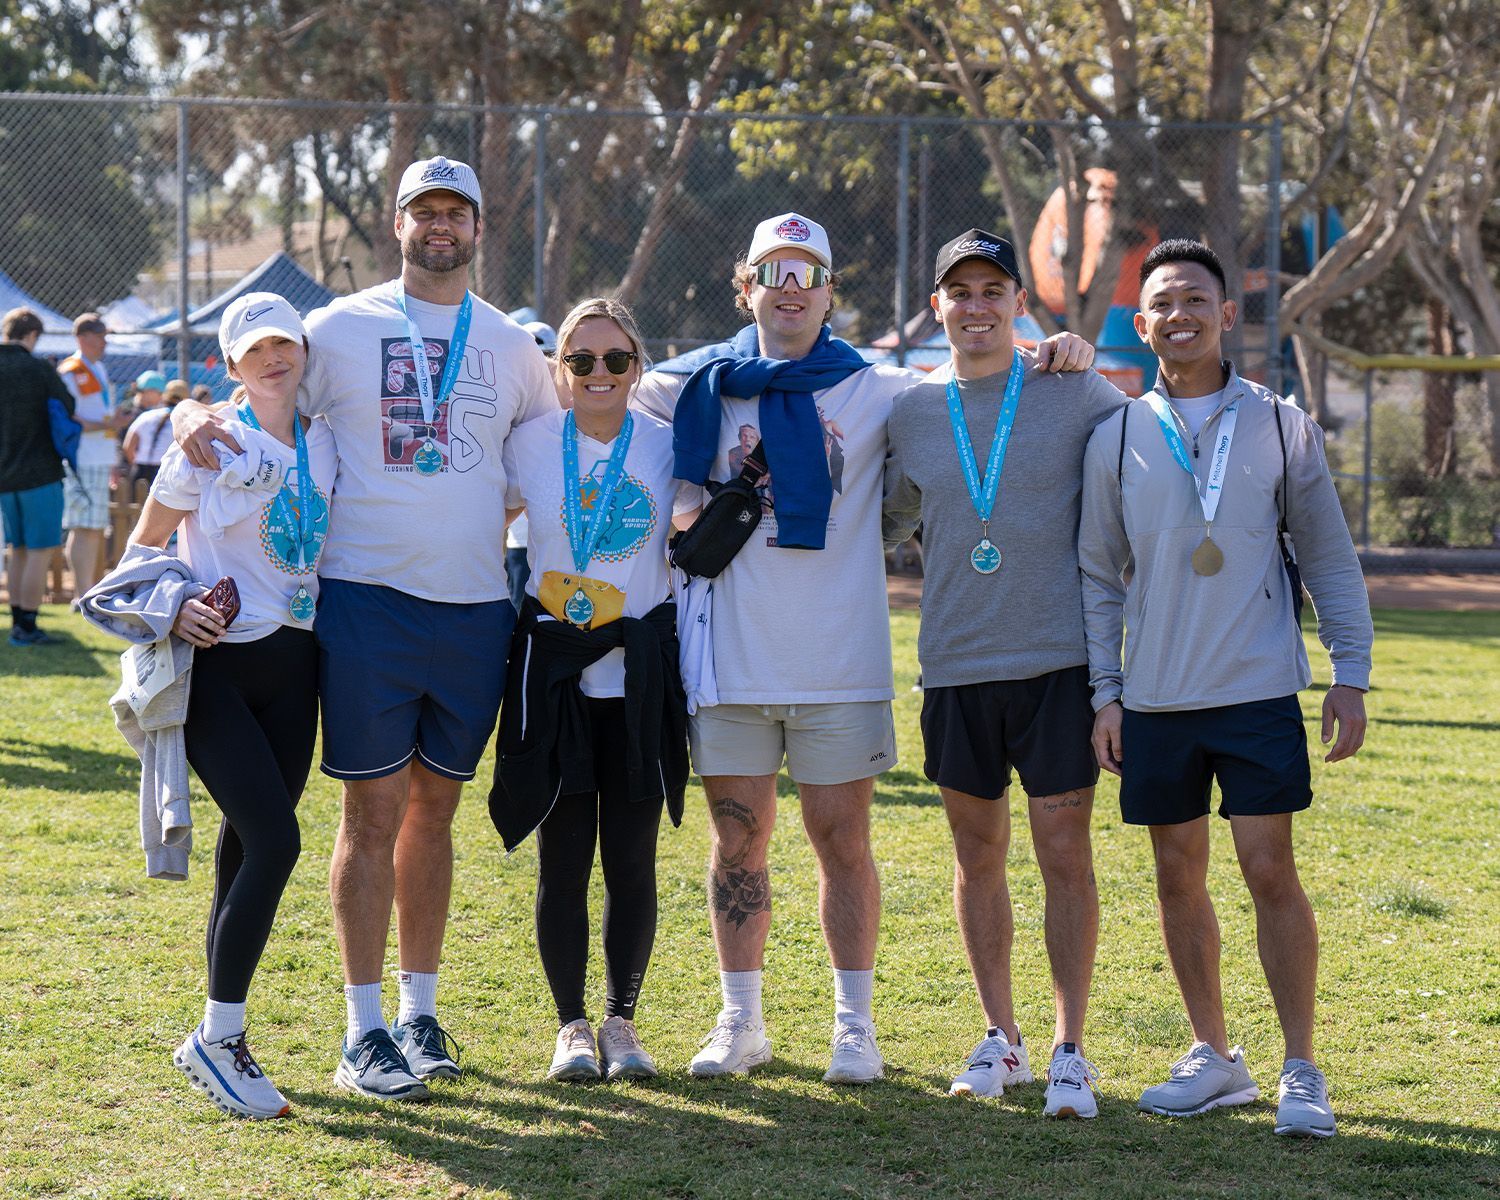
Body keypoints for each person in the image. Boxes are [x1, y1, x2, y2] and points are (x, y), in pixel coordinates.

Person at [631, 212, 1093, 1084]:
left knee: (843, 841)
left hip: (839, 663)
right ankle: (742, 1021)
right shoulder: (687, 386)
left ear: (832, 292)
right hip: (726, 659)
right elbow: (592, 379)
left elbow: (976, 374)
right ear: (747, 287)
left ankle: (855, 1026)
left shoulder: (883, 391)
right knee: (739, 844)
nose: (791, 288)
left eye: (809, 273)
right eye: (775, 271)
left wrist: (1051, 350)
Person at [171, 156, 558, 1100]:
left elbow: (551, 456)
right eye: (423, 211)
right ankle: (362, 1030)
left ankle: (420, 1014)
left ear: (478, 225)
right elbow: (257, 399)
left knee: (438, 809)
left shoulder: (511, 345)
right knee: (371, 811)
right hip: (362, 601)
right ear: (397, 224)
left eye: (455, 212)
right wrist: (187, 411)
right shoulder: (336, 328)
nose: (440, 226)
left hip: (472, 606)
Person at [1079, 239, 1372, 1139]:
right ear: (1143, 323)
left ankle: (1301, 1069)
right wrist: (1106, 691)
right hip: (1158, 700)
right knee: (1178, 875)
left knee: (1267, 869)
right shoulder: (1117, 433)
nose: (1179, 315)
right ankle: (1215, 1057)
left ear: (1228, 313)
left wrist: (1349, 672)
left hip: (1256, 694)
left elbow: (1328, 555)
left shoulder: (1283, 424)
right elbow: (1097, 571)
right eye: (1161, 302)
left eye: (1195, 299)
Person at [883, 230, 1126, 1117]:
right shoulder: (911, 411)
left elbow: (1149, 445)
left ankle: (1069, 1047)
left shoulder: (1071, 390)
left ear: (1019, 302)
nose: (977, 306)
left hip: (1058, 665)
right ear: (938, 307)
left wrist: (1088, 352)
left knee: (1065, 851)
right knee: (976, 856)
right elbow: (881, 519)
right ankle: (1001, 1036)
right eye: (960, 292)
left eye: (993, 290)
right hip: (954, 666)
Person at [127, 292, 336, 1118]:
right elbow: (138, 556)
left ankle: (218, 1031)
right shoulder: (205, 442)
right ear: (231, 363)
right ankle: (218, 1038)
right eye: (256, 350)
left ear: (304, 352)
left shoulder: (328, 440)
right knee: (278, 841)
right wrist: (171, 606)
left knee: (244, 847)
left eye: (285, 343)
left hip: (298, 668)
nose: (274, 359)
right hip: (215, 670)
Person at [492, 298, 698, 1083]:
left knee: (633, 860)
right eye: (581, 361)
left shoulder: (666, 446)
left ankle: (622, 1022)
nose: (599, 374)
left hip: (638, 678)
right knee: (563, 860)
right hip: (557, 678)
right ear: (560, 370)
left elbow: (703, 521)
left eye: (616, 360)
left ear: (637, 367)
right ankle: (570, 1026)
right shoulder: (528, 445)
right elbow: (477, 515)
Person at [0, 306, 75, 646]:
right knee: (40, 550)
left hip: (4, 477)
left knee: (17, 550)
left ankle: (17, 619)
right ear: (32, 336)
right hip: (39, 473)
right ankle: (27, 626)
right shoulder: (38, 369)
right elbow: (68, 405)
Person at [57, 312, 129, 595]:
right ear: (82, 338)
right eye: (100, 337)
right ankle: (81, 592)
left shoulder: (97, 369)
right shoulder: (71, 370)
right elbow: (67, 419)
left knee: (93, 527)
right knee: (83, 526)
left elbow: (98, 414)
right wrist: (107, 424)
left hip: (99, 455)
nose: (104, 343)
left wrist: (112, 426)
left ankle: (86, 590)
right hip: (82, 456)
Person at [506, 320, 559, 613]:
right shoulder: (510, 402)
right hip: (520, 540)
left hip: (560, 545)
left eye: (547, 356)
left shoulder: (571, 406)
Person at [123, 373, 177, 489]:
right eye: (159, 393)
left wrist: (136, 462)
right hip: (162, 469)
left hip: (139, 468)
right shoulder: (132, 412)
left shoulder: (142, 414)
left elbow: (128, 446)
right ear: (151, 392)